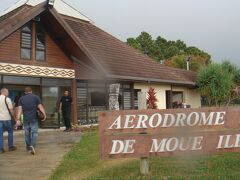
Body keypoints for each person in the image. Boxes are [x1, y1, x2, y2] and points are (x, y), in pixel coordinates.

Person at [16, 87, 46, 155]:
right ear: (31, 91)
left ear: (25, 92)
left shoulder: (21, 98)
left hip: (26, 119)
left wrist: (17, 119)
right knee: (34, 133)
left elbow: (19, 110)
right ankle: (32, 146)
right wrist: (44, 114)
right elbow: (40, 107)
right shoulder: (36, 97)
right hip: (34, 118)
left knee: (27, 134)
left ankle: (28, 147)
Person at [0, 88, 17, 154]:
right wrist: (14, 117)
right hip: (7, 119)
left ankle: (1, 149)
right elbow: (11, 110)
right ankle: (10, 147)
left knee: (0, 134)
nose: (8, 93)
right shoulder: (7, 99)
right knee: (10, 132)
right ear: (4, 92)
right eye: (7, 92)